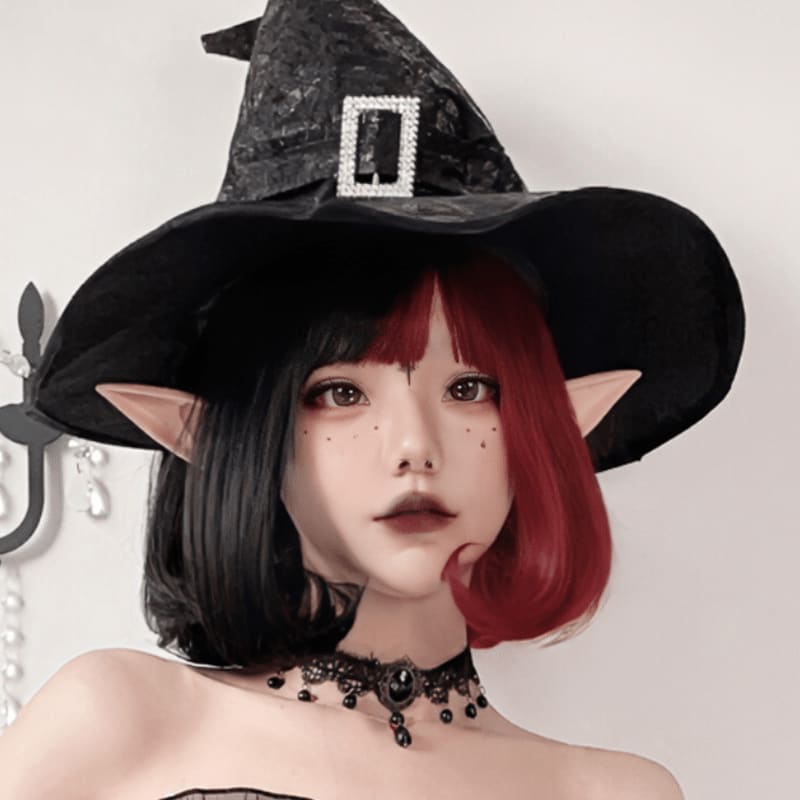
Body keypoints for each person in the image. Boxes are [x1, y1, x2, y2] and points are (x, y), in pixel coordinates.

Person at [0, 1, 745, 799]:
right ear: (227, 435)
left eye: (468, 389)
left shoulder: (615, 793)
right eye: (341, 392)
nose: (415, 446)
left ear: (552, 422)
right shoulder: (121, 721)